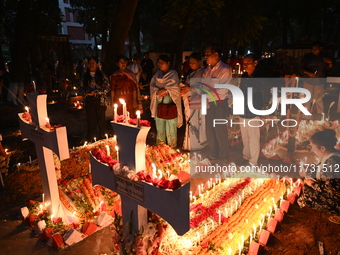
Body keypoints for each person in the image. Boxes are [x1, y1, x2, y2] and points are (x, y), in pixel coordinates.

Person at [297, 129, 340, 224]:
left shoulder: (333, 162)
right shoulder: (333, 154)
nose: (312, 150)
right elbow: (320, 167)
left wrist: (312, 184)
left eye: (313, 147)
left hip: (337, 200)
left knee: (307, 193)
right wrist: (308, 171)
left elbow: (333, 189)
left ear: (322, 148)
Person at [238, 54, 271, 166]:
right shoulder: (244, 76)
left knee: (253, 138)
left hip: (254, 111)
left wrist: (262, 109)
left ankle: (253, 161)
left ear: (255, 63)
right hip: (243, 110)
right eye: (244, 63)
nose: (245, 65)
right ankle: (245, 156)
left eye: (248, 63)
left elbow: (266, 94)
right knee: (245, 137)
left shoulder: (260, 77)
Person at [202, 44, 232, 161]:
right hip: (208, 104)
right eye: (205, 55)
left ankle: (224, 157)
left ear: (216, 55)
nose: (205, 57)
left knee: (220, 131)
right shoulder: (207, 70)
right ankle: (213, 154)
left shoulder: (225, 70)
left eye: (207, 55)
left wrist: (205, 96)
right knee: (209, 131)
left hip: (219, 104)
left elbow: (223, 90)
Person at [150, 54, 182, 148]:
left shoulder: (173, 74)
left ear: (168, 63)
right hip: (159, 102)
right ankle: (161, 149)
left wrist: (167, 90)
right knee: (160, 126)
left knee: (171, 126)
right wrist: (157, 91)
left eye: (162, 63)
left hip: (170, 102)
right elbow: (152, 86)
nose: (160, 65)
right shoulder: (157, 74)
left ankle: (172, 149)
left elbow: (176, 88)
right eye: (159, 63)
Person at [80, 56, 109, 142]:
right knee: (91, 121)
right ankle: (91, 139)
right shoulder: (84, 76)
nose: (91, 65)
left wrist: (96, 92)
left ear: (97, 64)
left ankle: (104, 138)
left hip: (100, 101)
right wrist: (86, 92)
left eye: (93, 63)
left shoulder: (102, 75)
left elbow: (107, 88)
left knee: (101, 120)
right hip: (89, 101)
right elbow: (80, 88)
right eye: (90, 63)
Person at [181, 52, 206, 151]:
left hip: (197, 100)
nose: (191, 64)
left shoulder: (203, 73)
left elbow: (204, 88)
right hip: (188, 99)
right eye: (190, 62)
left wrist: (190, 89)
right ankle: (188, 144)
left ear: (199, 62)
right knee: (189, 120)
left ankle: (196, 145)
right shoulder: (191, 73)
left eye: (193, 62)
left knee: (195, 121)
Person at [300, 42, 333, 113]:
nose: (314, 50)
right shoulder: (307, 56)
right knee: (307, 99)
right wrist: (309, 73)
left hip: (319, 81)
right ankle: (305, 115)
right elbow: (301, 68)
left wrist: (330, 62)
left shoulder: (325, 56)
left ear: (321, 48)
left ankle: (320, 116)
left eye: (316, 49)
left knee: (319, 99)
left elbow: (330, 67)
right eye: (313, 49)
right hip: (308, 81)